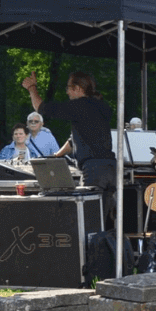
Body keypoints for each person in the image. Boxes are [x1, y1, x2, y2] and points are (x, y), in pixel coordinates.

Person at [22, 70, 116, 225]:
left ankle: (89, 249)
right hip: (111, 168)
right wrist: (57, 155)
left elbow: (42, 108)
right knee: (106, 219)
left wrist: (32, 88)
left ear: (78, 89)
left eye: (68, 87)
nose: (66, 92)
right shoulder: (101, 107)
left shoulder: (80, 106)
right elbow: (75, 140)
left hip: (94, 170)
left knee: (89, 217)